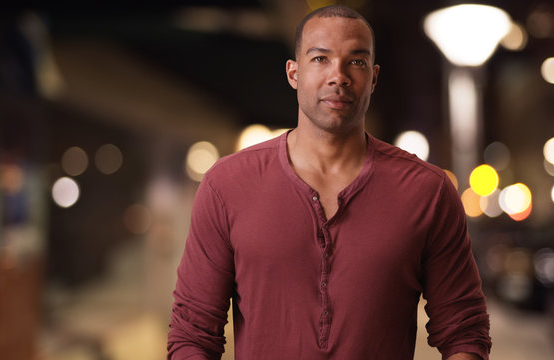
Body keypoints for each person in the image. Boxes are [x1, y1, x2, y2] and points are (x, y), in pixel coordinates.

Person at [168, 5, 491, 360]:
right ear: (294, 73)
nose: (338, 76)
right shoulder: (226, 185)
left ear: (374, 77)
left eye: (356, 61)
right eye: (320, 59)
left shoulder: (427, 191)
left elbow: (463, 332)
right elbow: (193, 334)